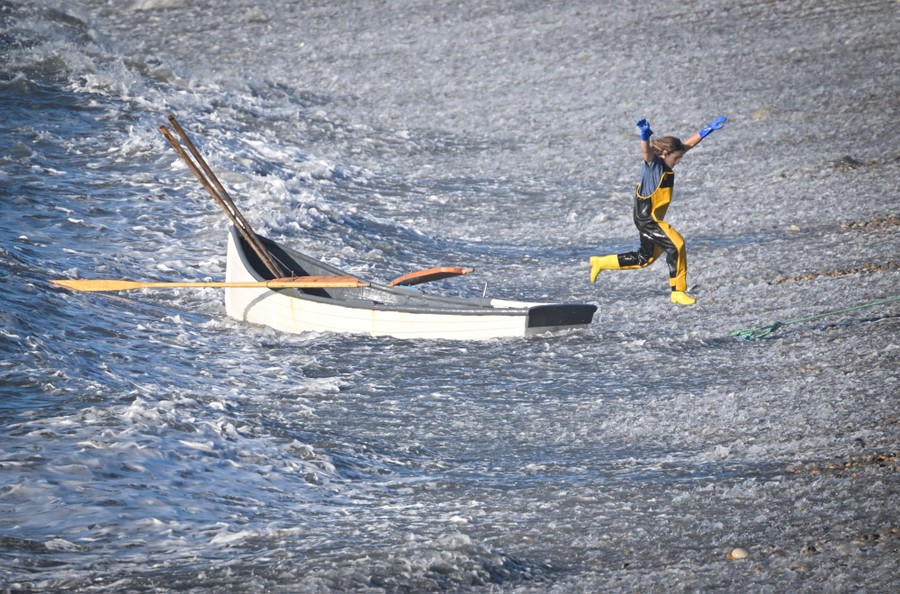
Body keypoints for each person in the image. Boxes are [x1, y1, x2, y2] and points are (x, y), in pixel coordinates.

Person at [589, 116, 726, 305]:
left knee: (644, 258)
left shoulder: (668, 158)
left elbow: (688, 144)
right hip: (649, 219)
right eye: (676, 158)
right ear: (663, 153)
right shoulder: (653, 165)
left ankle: (601, 262)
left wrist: (708, 130)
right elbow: (646, 151)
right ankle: (677, 291)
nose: (678, 161)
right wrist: (644, 135)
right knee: (676, 245)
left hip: (648, 219)